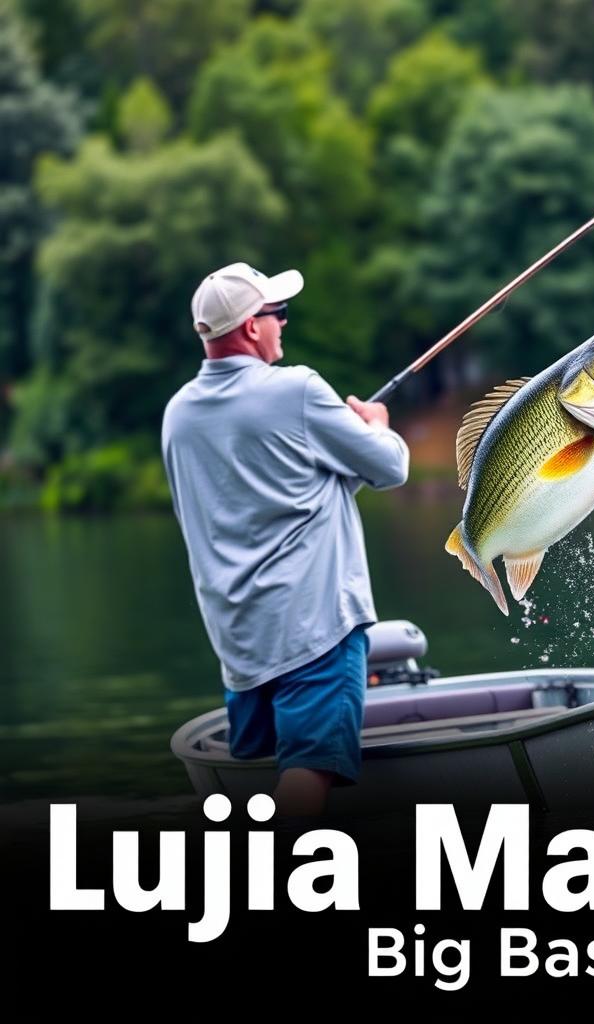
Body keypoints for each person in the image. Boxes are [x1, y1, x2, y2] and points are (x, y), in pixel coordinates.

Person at [161, 262, 409, 816]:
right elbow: (389, 467)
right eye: (279, 314)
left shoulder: (178, 415)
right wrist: (376, 424)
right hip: (315, 628)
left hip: (240, 645)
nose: (283, 326)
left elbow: (244, 501)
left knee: (265, 777)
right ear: (251, 326)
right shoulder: (296, 389)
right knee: (307, 777)